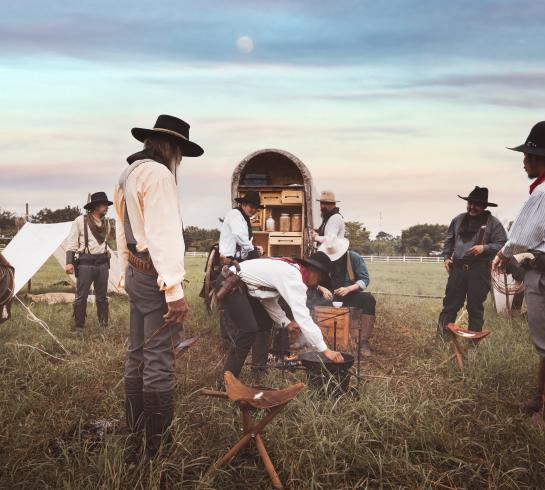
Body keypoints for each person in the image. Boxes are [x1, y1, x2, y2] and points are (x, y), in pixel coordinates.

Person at [115, 114, 203, 459]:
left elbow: (122, 231)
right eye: (178, 151)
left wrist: (125, 273)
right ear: (171, 146)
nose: (178, 159)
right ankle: (156, 446)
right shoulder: (160, 175)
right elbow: (165, 236)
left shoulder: (128, 172)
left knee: (137, 352)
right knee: (159, 359)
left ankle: (136, 433)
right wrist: (174, 293)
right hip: (154, 278)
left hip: (137, 274)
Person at [216, 251, 345, 380]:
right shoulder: (293, 276)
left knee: (264, 323)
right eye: (320, 279)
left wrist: (286, 322)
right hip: (229, 283)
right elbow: (303, 316)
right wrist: (325, 350)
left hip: (245, 287)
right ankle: (227, 379)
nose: (317, 284)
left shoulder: (292, 270)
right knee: (249, 329)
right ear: (314, 272)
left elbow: (267, 299)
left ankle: (258, 371)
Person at [492, 121, 545, 420]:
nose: (524, 161)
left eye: (528, 155)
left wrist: (502, 253)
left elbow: (522, 237)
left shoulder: (541, 193)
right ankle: (538, 398)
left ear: (540, 158)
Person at [438, 186, 507, 336]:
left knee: (475, 307)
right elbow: (449, 241)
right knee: (450, 305)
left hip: (479, 270)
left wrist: (485, 247)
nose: (472, 207)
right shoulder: (458, 220)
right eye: (470, 203)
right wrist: (446, 258)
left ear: (484, 206)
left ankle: (473, 344)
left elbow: (503, 243)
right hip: (457, 268)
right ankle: (442, 339)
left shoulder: (493, 223)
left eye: (476, 204)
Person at [317, 236, 377, 356]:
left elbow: (364, 280)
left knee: (369, 299)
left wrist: (348, 289)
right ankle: (313, 337)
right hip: (329, 296)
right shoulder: (323, 260)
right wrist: (322, 289)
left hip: (349, 295)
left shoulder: (354, 258)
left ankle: (363, 342)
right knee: (310, 297)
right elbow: (313, 280)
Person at [65, 192, 112, 334]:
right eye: (104, 204)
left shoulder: (107, 222)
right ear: (96, 206)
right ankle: (79, 327)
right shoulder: (80, 220)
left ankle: (103, 324)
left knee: (102, 296)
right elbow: (71, 243)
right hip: (85, 263)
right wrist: (69, 262)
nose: (107, 207)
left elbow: (104, 243)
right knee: (81, 297)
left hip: (103, 264)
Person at [219, 191, 263, 262]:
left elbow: (245, 241)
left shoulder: (244, 218)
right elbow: (239, 235)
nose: (254, 210)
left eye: (256, 208)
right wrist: (252, 249)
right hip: (229, 260)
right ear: (243, 204)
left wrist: (254, 248)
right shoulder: (235, 214)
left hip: (238, 259)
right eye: (251, 207)